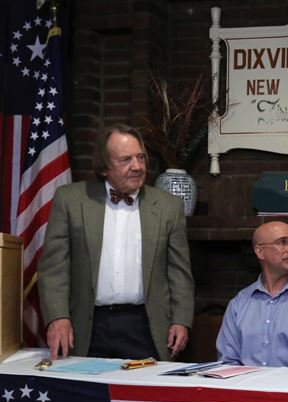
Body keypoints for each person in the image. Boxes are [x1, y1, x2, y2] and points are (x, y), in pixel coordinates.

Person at [39, 124, 194, 361]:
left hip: (145, 326)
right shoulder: (70, 200)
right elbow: (54, 268)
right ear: (104, 168)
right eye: (126, 160)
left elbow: (179, 272)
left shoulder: (168, 207)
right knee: (85, 395)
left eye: (141, 157)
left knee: (143, 396)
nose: (137, 166)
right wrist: (57, 316)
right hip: (86, 325)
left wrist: (181, 320)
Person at [216, 221, 288, 368]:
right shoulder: (239, 303)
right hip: (245, 387)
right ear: (259, 251)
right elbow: (227, 363)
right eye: (283, 242)